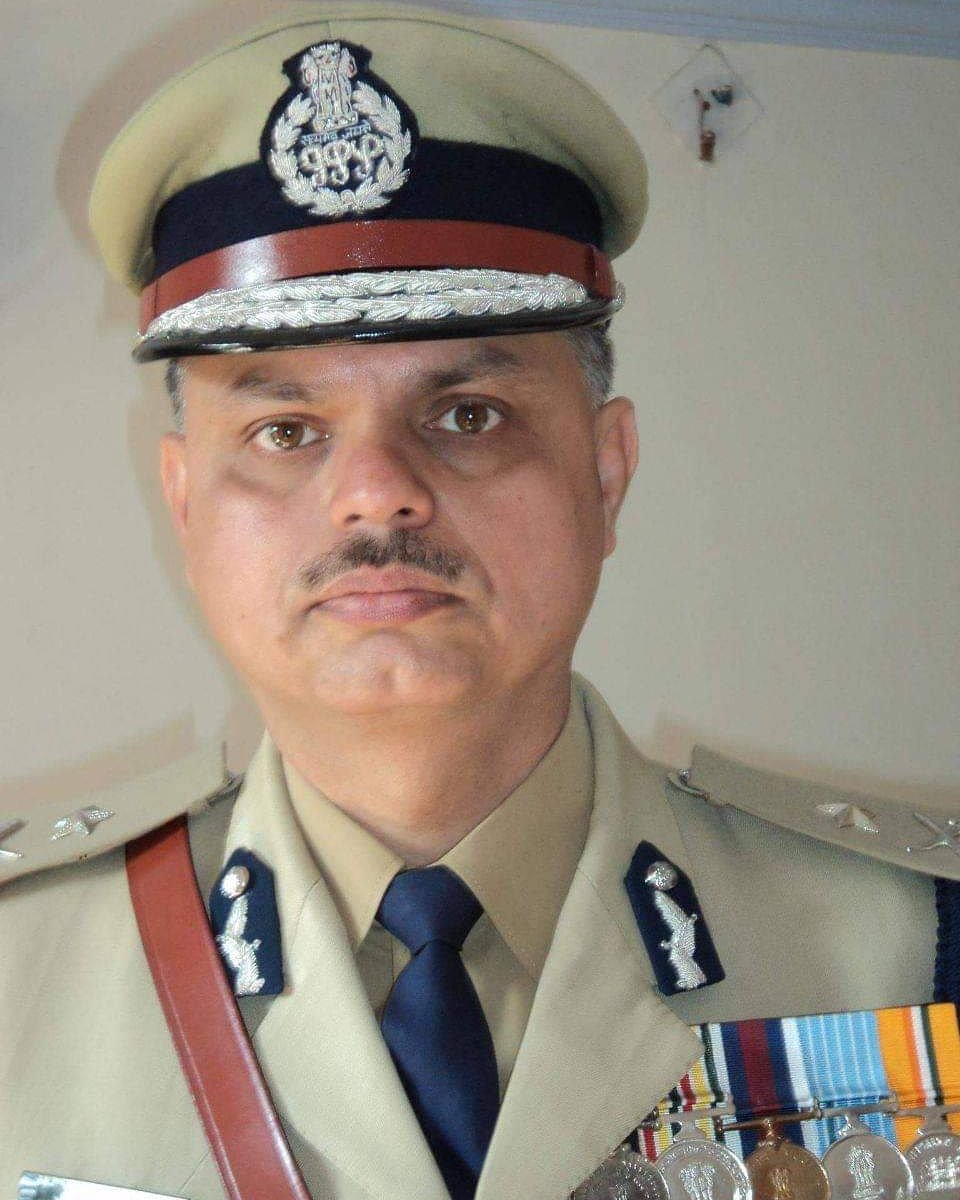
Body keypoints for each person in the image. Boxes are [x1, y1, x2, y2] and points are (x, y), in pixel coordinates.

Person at [2, 6, 958, 1200]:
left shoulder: (912, 944)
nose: (377, 493)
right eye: (285, 429)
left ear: (606, 472)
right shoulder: (18, 974)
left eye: (468, 414)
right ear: (186, 502)